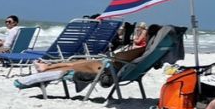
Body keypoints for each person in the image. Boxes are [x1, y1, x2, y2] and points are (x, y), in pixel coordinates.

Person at [33, 24, 161, 76]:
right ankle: (47, 66)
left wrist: (113, 57)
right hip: (109, 66)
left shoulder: (140, 50)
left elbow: (120, 58)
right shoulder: (148, 52)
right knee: (74, 63)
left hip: (107, 69)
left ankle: (47, 67)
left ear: (149, 35)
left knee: (72, 65)